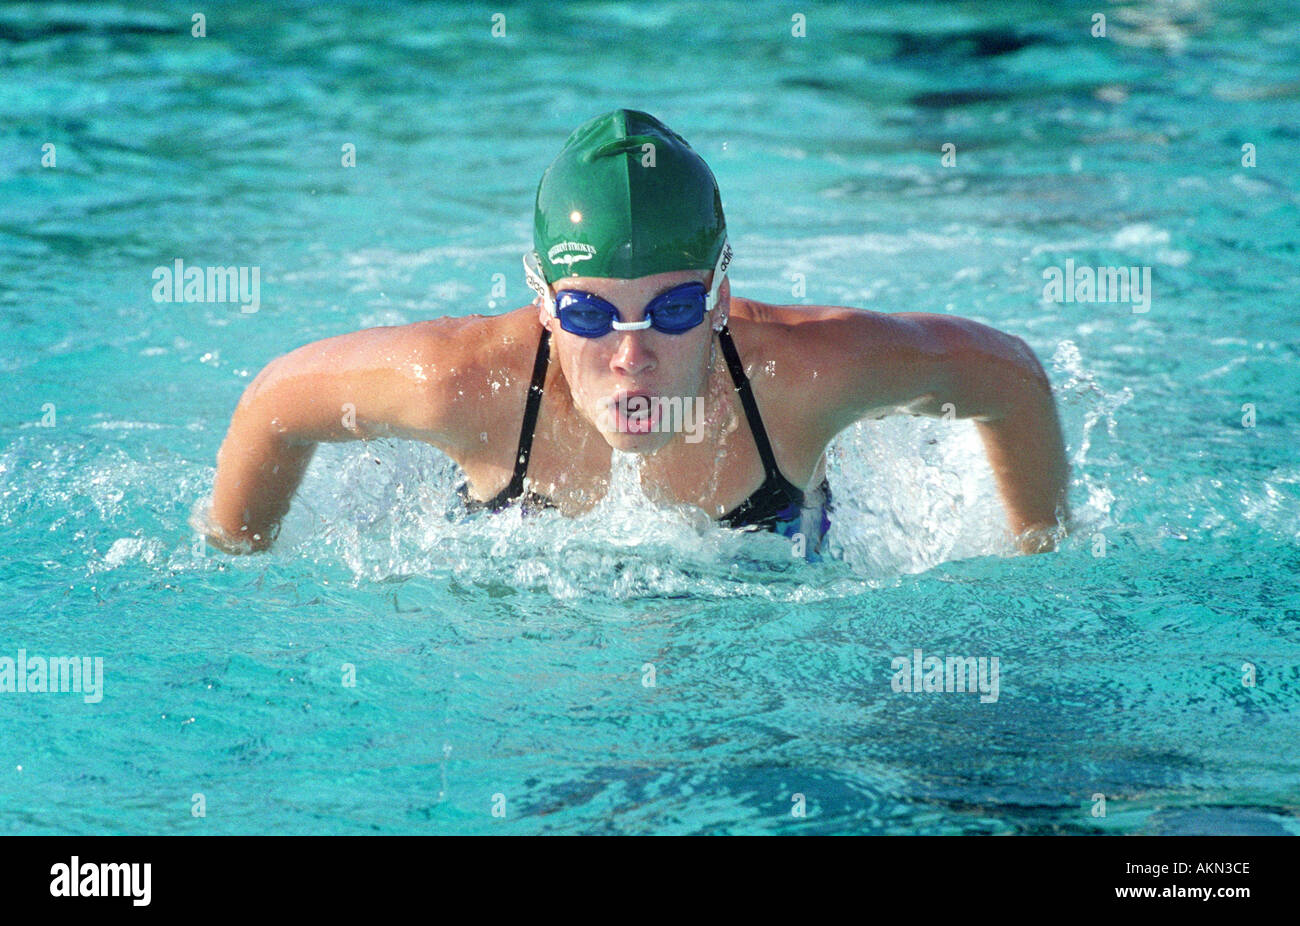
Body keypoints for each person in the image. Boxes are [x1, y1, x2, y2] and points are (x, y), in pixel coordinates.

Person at [194, 109, 1070, 559]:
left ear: (722, 298)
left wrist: (1037, 559)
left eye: (676, 310)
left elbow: (1009, 379)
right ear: (541, 301)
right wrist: (242, 569)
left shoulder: (806, 376)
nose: (630, 352)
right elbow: (275, 405)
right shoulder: (460, 386)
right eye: (588, 312)